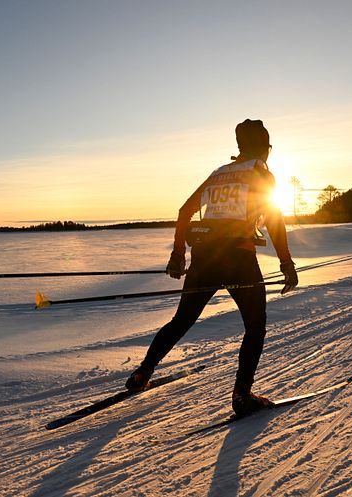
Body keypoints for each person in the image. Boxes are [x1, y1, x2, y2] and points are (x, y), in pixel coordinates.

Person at [125, 119, 298, 416]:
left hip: (204, 257)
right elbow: (273, 220)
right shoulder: (260, 173)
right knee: (255, 327)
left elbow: (184, 211)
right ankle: (242, 396)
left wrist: (178, 254)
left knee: (181, 321)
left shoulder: (218, 174)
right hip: (238, 259)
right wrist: (286, 262)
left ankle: (142, 373)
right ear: (264, 147)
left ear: (239, 146)